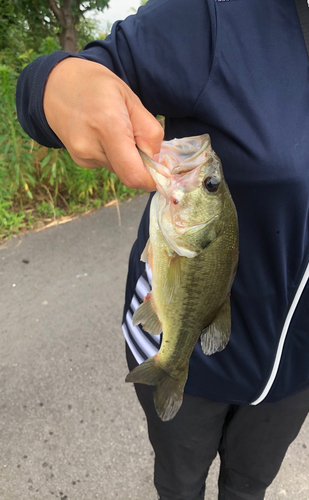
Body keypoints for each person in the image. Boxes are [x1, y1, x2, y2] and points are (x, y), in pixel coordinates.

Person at [16, 0, 309, 499]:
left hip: (297, 371)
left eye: (209, 181)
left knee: (249, 488)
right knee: (178, 482)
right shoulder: (220, 15)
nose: (205, 169)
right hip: (190, 342)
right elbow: (73, 76)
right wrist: (59, 85)